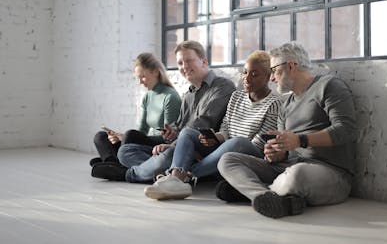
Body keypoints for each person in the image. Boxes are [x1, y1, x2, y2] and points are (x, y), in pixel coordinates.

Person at [216, 42, 358, 219]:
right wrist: (276, 153)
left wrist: (301, 140)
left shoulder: (328, 85)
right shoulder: (286, 104)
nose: (272, 79)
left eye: (274, 70)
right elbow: (285, 151)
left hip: (329, 172)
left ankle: (254, 192)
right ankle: (269, 197)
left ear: (290, 66)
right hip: (287, 167)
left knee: (298, 174)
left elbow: (346, 130)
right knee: (228, 160)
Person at [143, 50, 283, 200]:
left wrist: (226, 144)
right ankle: (176, 179)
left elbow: (260, 142)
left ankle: (188, 174)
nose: (247, 78)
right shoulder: (237, 96)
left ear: (268, 77)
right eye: (245, 72)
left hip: (248, 156)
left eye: (254, 74)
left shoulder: (275, 103)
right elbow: (226, 127)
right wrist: (216, 138)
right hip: (224, 151)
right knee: (188, 133)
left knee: (238, 142)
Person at [93, 40, 236, 183]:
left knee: (168, 154)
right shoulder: (188, 95)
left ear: (203, 61)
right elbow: (179, 126)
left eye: (189, 60)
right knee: (126, 151)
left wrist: (172, 144)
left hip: (201, 150)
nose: (184, 66)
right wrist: (171, 133)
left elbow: (203, 123)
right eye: (180, 63)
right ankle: (161, 170)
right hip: (178, 147)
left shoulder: (222, 86)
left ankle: (128, 173)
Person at [91, 52, 181, 178]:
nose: (140, 82)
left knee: (130, 135)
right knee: (100, 137)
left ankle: (114, 165)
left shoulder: (170, 97)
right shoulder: (147, 97)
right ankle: (112, 163)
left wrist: (127, 137)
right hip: (145, 142)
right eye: (137, 78)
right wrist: (120, 137)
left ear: (155, 72)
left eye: (143, 77)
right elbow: (142, 131)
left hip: (160, 146)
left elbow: (169, 138)